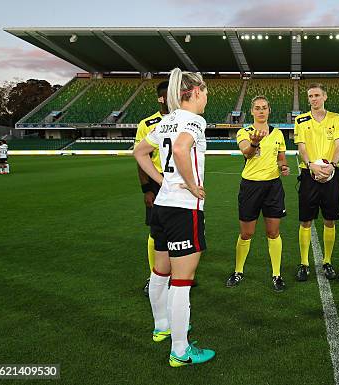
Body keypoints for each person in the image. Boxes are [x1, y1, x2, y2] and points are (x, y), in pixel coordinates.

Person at [133, 68, 214, 367]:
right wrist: (193, 184)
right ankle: (180, 351)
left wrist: (161, 181)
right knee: (182, 281)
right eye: (204, 92)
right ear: (193, 92)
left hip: (162, 207)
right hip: (183, 208)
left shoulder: (165, 120)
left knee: (160, 272)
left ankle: (161, 327)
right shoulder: (194, 120)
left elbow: (139, 152)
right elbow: (181, 149)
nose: (206, 97)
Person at [225, 95, 290, 292]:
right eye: (257, 108)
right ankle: (238, 271)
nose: (261, 111)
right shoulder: (244, 132)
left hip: (273, 187)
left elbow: (281, 158)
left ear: (269, 111)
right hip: (250, 187)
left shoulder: (278, 134)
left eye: (264, 108)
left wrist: (284, 167)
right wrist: (254, 143)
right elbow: (246, 152)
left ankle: (276, 275)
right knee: (247, 233)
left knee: (273, 232)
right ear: (252, 111)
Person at [293, 83, 339, 281]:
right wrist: (310, 165)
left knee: (329, 219)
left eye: (316, 95)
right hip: (309, 174)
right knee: (306, 219)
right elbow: (301, 146)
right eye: (310, 96)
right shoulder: (301, 119)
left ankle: (327, 261)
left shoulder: (336, 119)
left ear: (324, 97)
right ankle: (304, 263)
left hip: (331, 173)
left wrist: (332, 165)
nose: (313, 99)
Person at [135, 80, 169, 296]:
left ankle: (177, 274)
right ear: (160, 98)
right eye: (168, 94)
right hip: (157, 184)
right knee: (156, 232)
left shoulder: (184, 121)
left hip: (180, 184)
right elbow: (141, 158)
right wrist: (146, 189)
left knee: (178, 231)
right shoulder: (147, 124)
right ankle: (154, 276)